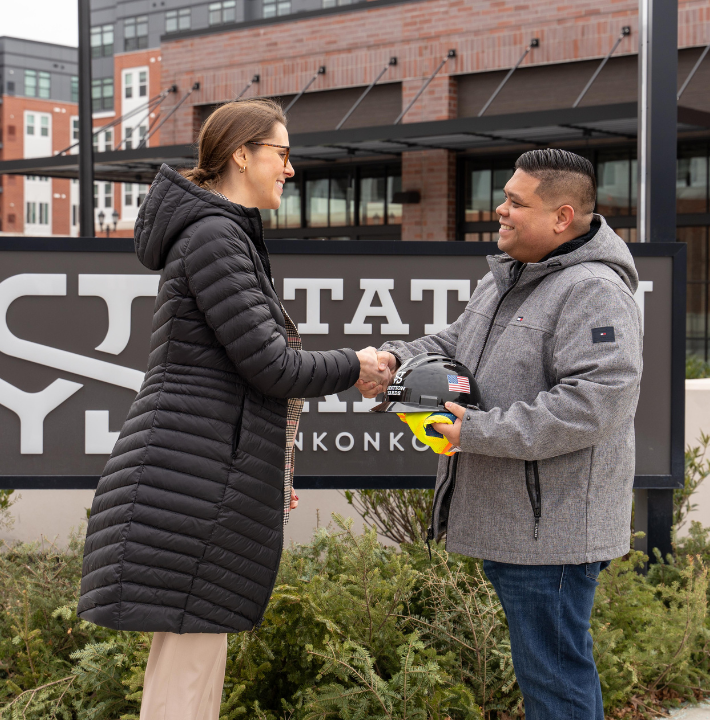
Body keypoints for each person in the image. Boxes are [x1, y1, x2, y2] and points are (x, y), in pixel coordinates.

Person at [76, 98, 389, 720]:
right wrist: (357, 365)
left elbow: (245, 377)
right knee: (187, 677)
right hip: (194, 487)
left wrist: (270, 468)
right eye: (281, 152)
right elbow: (271, 366)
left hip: (198, 479)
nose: (291, 169)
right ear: (242, 154)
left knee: (191, 659)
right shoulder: (216, 236)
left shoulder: (220, 234)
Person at [358, 149, 643, 719]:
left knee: (555, 681)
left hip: (553, 532)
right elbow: (452, 342)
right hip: (521, 527)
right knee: (549, 674)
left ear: (562, 217)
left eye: (516, 201)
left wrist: (474, 431)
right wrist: (392, 360)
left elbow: (594, 403)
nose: (500, 209)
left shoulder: (592, 290)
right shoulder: (510, 279)